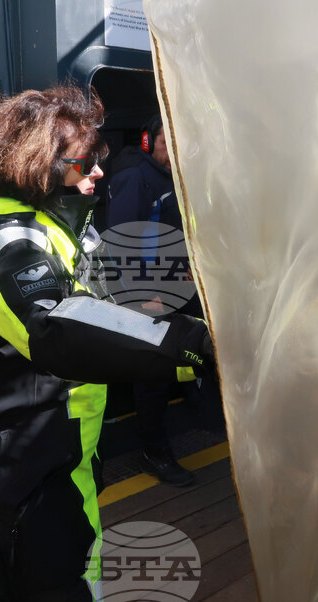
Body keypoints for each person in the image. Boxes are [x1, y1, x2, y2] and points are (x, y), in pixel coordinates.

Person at [0, 85, 214, 601]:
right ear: (39, 165)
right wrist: (191, 345)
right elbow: (59, 329)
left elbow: (110, 309)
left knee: (81, 569)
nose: (99, 173)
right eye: (85, 163)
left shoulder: (66, 227)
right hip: (18, 450)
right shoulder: (1, 243)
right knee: (42, 585)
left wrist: (197, 333)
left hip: (69, 441)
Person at [104, 114, 204, 487]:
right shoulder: (135, 177)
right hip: (149, 291)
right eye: (165, 142)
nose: (172, 150)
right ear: (148, 141)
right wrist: (147, 293)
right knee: (153, 373)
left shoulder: (174, 175)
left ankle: (200, 411)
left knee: (195, 349)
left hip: (178, 283)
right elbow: (123, 241)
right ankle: (154, 452)